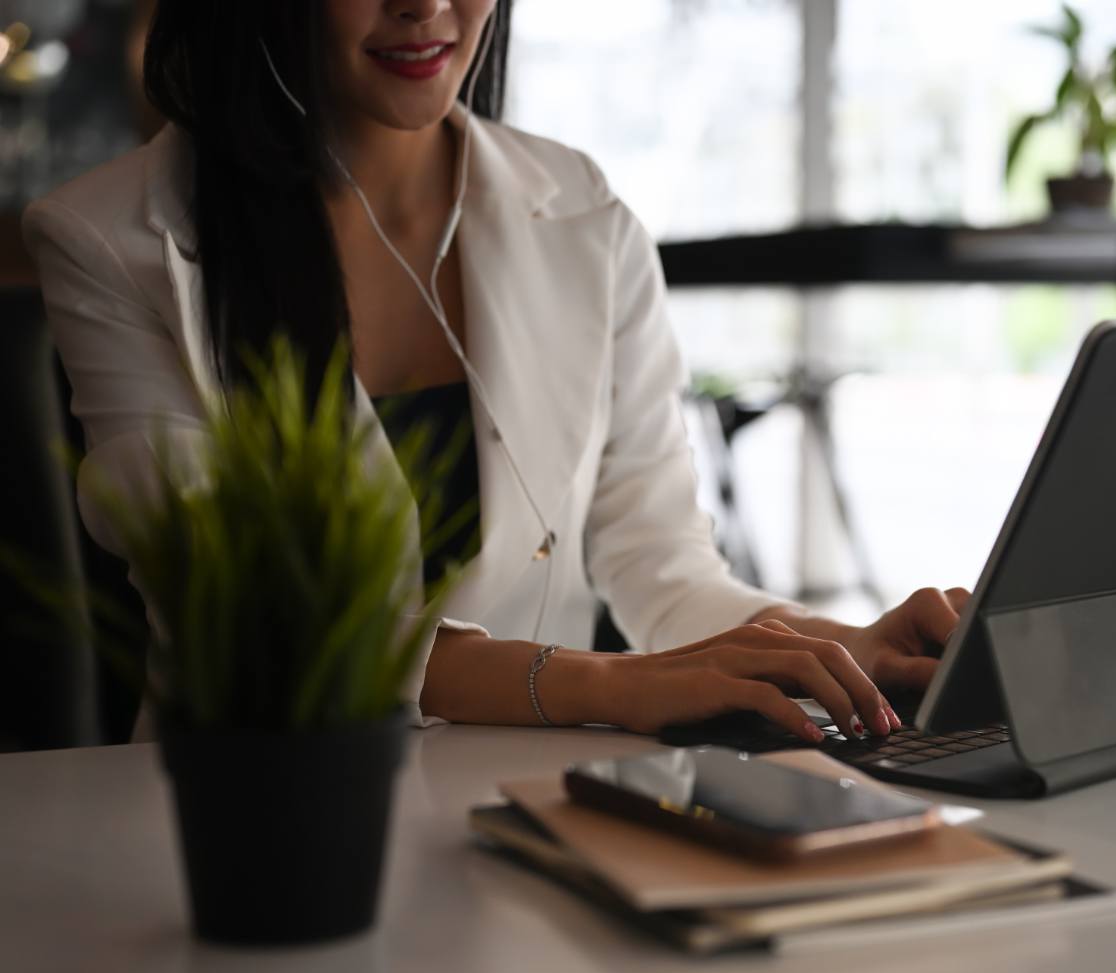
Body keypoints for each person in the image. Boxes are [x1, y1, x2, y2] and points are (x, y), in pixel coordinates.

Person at [24, 0, 970, 743]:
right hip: (267, 823)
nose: (424, 4)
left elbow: (663, 574)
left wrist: (845, 650)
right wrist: (602, 684)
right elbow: (250, 622)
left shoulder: (583, 217)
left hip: (521, 814)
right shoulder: (111, 239)